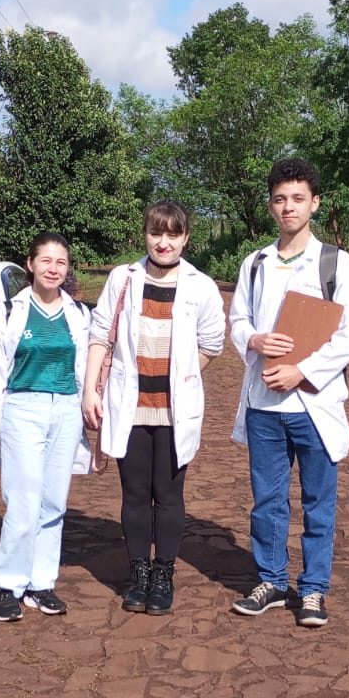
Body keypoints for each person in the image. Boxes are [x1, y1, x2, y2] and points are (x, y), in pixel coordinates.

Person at [227, 159, 349, 627]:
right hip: (265, 405)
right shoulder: (255, 263)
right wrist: (255, 340)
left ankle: (312, 590)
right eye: (280, 199)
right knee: (267, 500)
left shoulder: (334, 263)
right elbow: (237, 321)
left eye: (298, 198)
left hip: (313, 403)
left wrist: (301, 371)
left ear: (315, 203)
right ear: (271, 205)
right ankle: (270, 580)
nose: (289, 207)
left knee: (317, 501)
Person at [83, 200, 226, 615]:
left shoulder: (200, 286)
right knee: (133, 493)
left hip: (172, 409)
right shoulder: (122, 279)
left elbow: (212, 343)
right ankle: (138, 574)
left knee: (167, 494)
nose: (163, 242)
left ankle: (163, 574)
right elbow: (99, 335)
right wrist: (92, 390)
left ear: (185, 238)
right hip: (129, 405)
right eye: (156, 233)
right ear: (145, 234)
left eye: (173, 234)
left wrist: (181, 376)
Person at [0, 232, 95, 622]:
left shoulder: (79, 314)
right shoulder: (9, 312)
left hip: (65, 410)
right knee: (23, 501)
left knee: (54, 502)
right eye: (46, 261)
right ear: (30, 264)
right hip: (22, 409)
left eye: (61, 262)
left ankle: (41, 583)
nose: (53, 269)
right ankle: (9, 586)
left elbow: (87, 368)